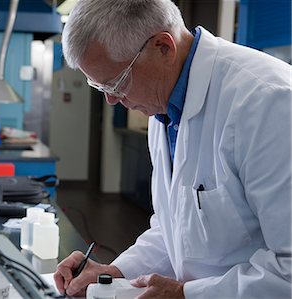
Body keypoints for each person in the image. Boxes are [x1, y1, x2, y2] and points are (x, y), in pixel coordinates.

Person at [53, 0, 292, 298]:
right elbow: (176, 230)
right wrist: (115, 271)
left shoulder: (268, 102)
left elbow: (289, 267)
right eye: (101, 88)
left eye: (117, 83)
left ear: (163, 47)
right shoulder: (163, 104)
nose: (112, 101)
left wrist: (185, 294)